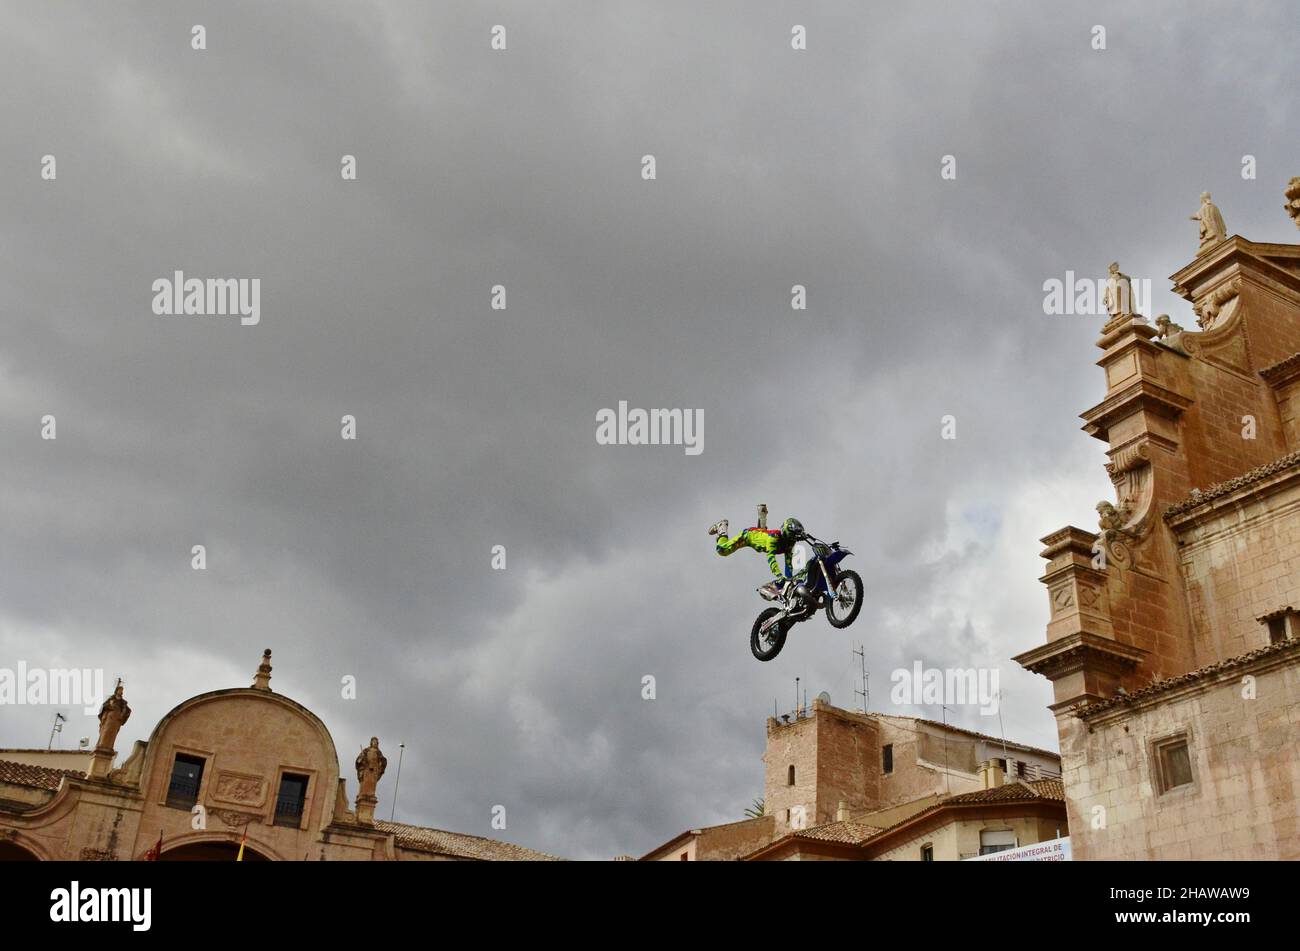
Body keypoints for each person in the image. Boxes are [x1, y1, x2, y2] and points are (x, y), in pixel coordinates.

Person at [709, 514, 806, 600]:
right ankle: (722, 527)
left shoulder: (789, 544)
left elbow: (788, 564)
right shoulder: (774, 538)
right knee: (722, 550)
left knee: (762, 534)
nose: (792, 541)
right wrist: (779, 575)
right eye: (791, 537)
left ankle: (762, 517)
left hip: (760, 536)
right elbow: (771, 558)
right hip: (749, 536)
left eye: (794, 538)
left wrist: (788, 580)